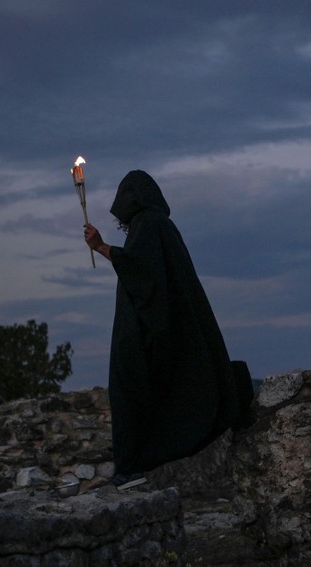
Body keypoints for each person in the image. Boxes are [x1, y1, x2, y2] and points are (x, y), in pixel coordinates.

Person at [83, 170, 253, 490]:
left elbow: (142, 271)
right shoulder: (158, 225)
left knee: (129, 386)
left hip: (147, 329)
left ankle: (131, 466)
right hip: (161, 325)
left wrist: (101, 246)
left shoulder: (149, 224)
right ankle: (134, 464)